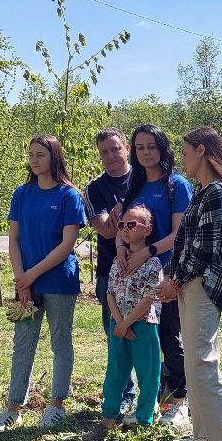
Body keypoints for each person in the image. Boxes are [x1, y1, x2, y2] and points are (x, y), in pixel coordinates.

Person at [157, 127, 222, 441]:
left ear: (202, 151)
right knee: (194, 363)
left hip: (204, 286)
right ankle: (205, 437)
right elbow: (184, 244)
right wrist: (173, 278)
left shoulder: (217, 194)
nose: (183, 160)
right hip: (188, 285)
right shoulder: (202, 193)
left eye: (186, 152)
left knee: (203, 363)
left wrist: (173, 282)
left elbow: (203, 253)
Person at [0, 135, 86, 431]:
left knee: (60, 343)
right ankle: (13, 408)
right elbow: (14, 240)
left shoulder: (69, 196)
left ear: (54, 157)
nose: (34, 160)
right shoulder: (21, 194)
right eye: (31, 154)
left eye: (41, 155)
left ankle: (56, 406)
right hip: (27, 284)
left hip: (59, 281)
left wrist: (31, 275)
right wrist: (22, 278)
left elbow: (67, 244)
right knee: (23, 344)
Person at [120, 125, 193, 428]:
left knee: (169, 335)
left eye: (152, 146)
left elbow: (180, 235)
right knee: (146, 340)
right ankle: (149, 401)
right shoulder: (135, 187)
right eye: (139, 148)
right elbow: (124, 226)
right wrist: (122, 248)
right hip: (139, 277)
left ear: (163, 149)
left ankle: (179, 402)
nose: (146, 152)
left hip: (169, 273)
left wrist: (145, 251)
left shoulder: (177, 185)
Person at [86, 204, 165, 441]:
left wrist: (128, 322)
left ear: (147, 230)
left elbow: (149, 297)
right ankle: (109, 417)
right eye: (122, 225)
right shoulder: (117, 261)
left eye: (132, 225)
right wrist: (119, 324)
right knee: (115, 372)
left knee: (148, 373)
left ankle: (143, 419)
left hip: (143, 326)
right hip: (118, 326)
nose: (126, 229)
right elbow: (109, 293)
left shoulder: (153, 264)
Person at [86, 127, 135, 414]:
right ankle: (125, 394)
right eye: (104, 152)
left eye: (115, 148)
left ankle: (160, 392)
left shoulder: (145, 177)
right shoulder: (95, 189)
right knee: (116, 332)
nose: (111, 155)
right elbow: (105, 230)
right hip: (110, 271)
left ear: (126, 148)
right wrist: (123, 206)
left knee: (153, 332)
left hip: (148, 268)